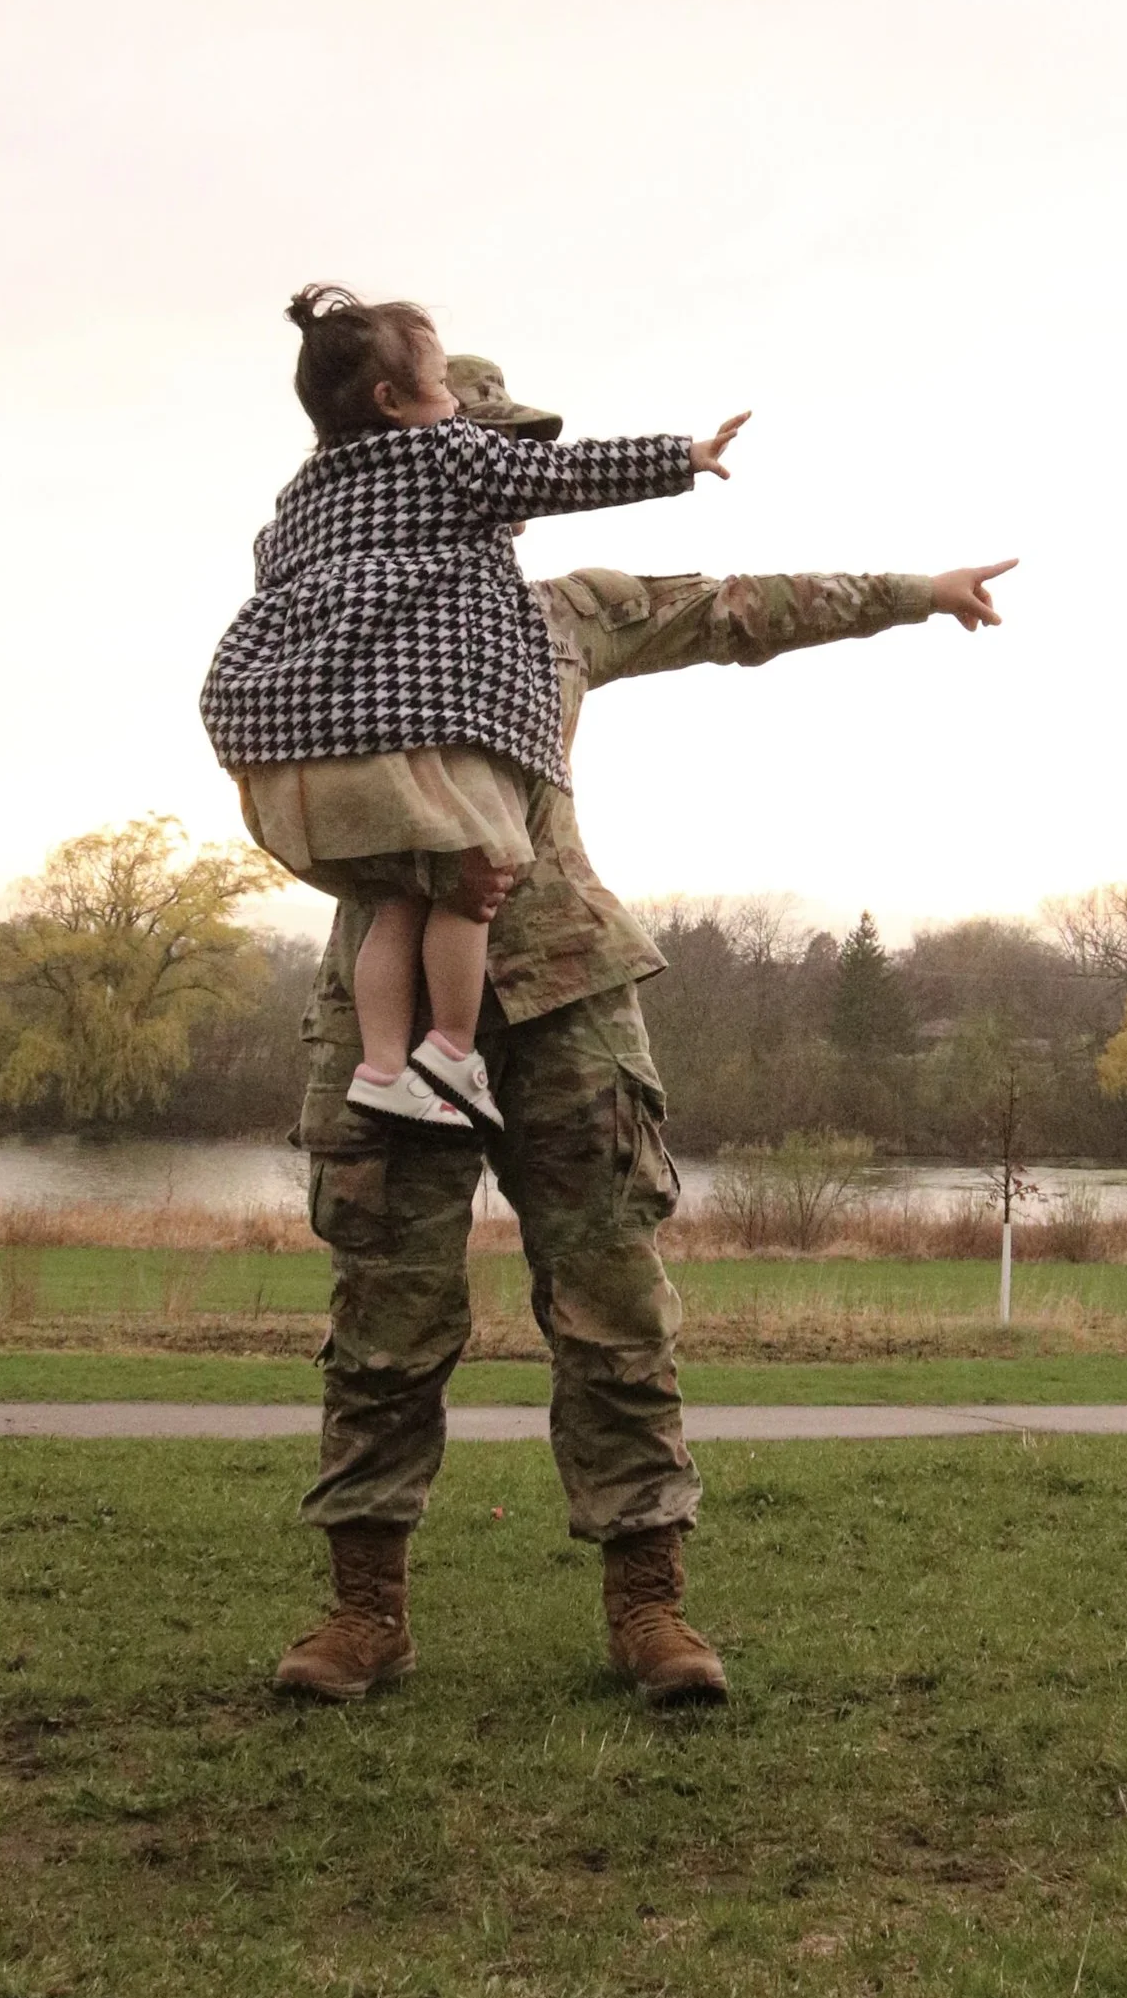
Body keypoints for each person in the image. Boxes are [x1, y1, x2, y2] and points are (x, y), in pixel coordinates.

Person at [240, 343, 1016, 1710]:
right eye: (486, 454)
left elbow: (740, 605)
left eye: (517, 465)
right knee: (383, 1316)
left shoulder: (565, 615)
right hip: (386, 1001)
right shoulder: (329, 604)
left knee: (615, 1317)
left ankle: (649, 1605)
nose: (507, 489)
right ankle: (363, 1613)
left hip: (569, 1004)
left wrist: (915, 594)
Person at [201, 283, 749, 1135]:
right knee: (474, 880)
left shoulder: (299, 498)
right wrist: (683, 456)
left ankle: (383, 1069)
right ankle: (452, 1053)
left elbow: (280, 583)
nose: (456, 403)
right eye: (442, 386)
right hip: (409, 736)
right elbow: (563, 474)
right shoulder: (446, 456)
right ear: (394, 403)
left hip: (295, 745)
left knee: (396, 900)